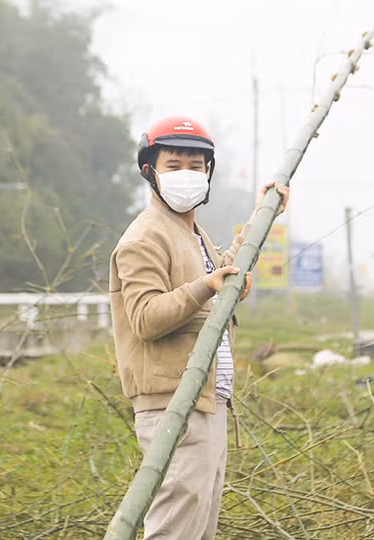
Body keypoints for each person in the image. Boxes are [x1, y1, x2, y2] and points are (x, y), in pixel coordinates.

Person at [109, 116, 289, 539]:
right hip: (174, 405)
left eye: (196, 165)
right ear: (149, 171)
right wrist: (203, 287)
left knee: (198, 530)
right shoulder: (144, 238)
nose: (187, 175)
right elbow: (145, 318)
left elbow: (224, 271)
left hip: (207, 403)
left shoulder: (191, 233)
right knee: (176, 530)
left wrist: (262, 215)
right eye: (174, 166)